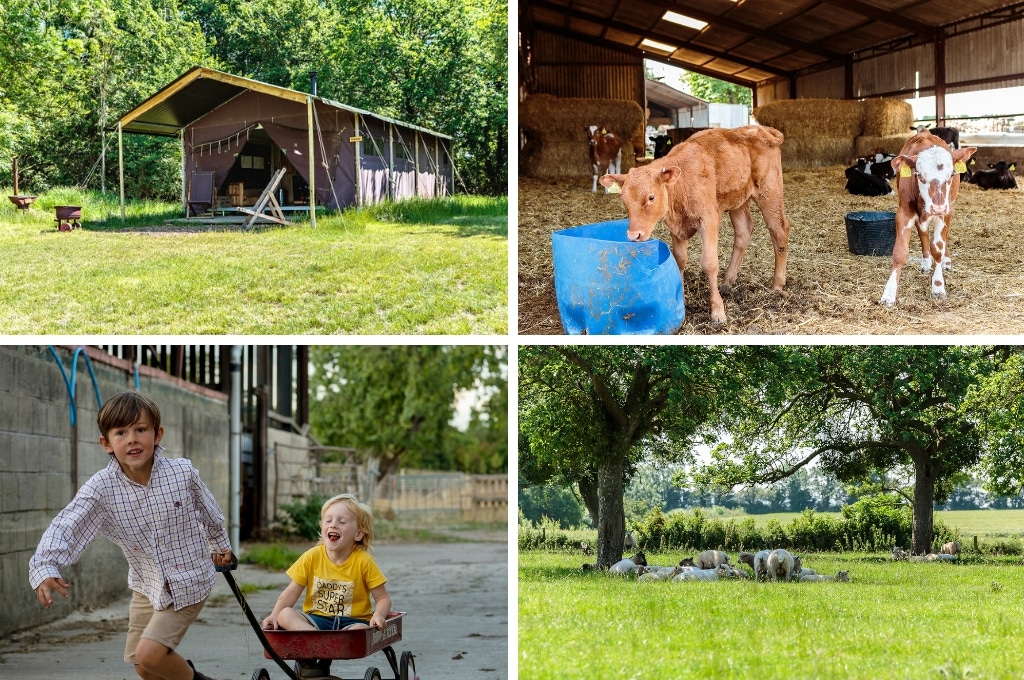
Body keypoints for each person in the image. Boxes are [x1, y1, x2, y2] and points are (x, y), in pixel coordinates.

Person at [29, 391, 233, 680]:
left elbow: (208, 511)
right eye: (121, 432)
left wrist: (220, 544)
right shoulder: (102, 488)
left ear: (157, 434)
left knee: (151, 653)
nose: (132, 439)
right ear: (106, 443)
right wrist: (44, 565)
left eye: (141, 429)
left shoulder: (182, 473)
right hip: (146, 584)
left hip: (189, 578)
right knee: (142, 663)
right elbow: (67, 524)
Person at [262, 493, 392, 632]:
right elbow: (292, 591)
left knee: (360, 629)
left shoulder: (364, 561)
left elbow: (383, 598)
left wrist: (378, 615)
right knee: (285, 614)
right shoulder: (312, 556)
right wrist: (275, 615)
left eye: (342, 522)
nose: (334, 525)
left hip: (353, 621)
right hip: (317, 620)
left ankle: (331, 640)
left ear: (358, 534)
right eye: (328, 520)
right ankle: (314, 637)